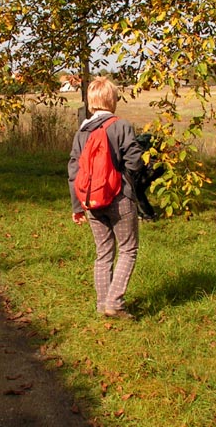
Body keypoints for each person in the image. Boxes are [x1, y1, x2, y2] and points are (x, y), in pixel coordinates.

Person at [68, 77, 145, 319]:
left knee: (103, 253)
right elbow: (135, 160)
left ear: (91, 102)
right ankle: (115, 303)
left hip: (90, 201)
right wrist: (129, 183)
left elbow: (73, 170)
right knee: (128, 249)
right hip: (118, 197)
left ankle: (103, 305)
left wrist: (77, 206)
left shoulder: (82, 131)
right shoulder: (121, 125)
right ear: (112, 100)